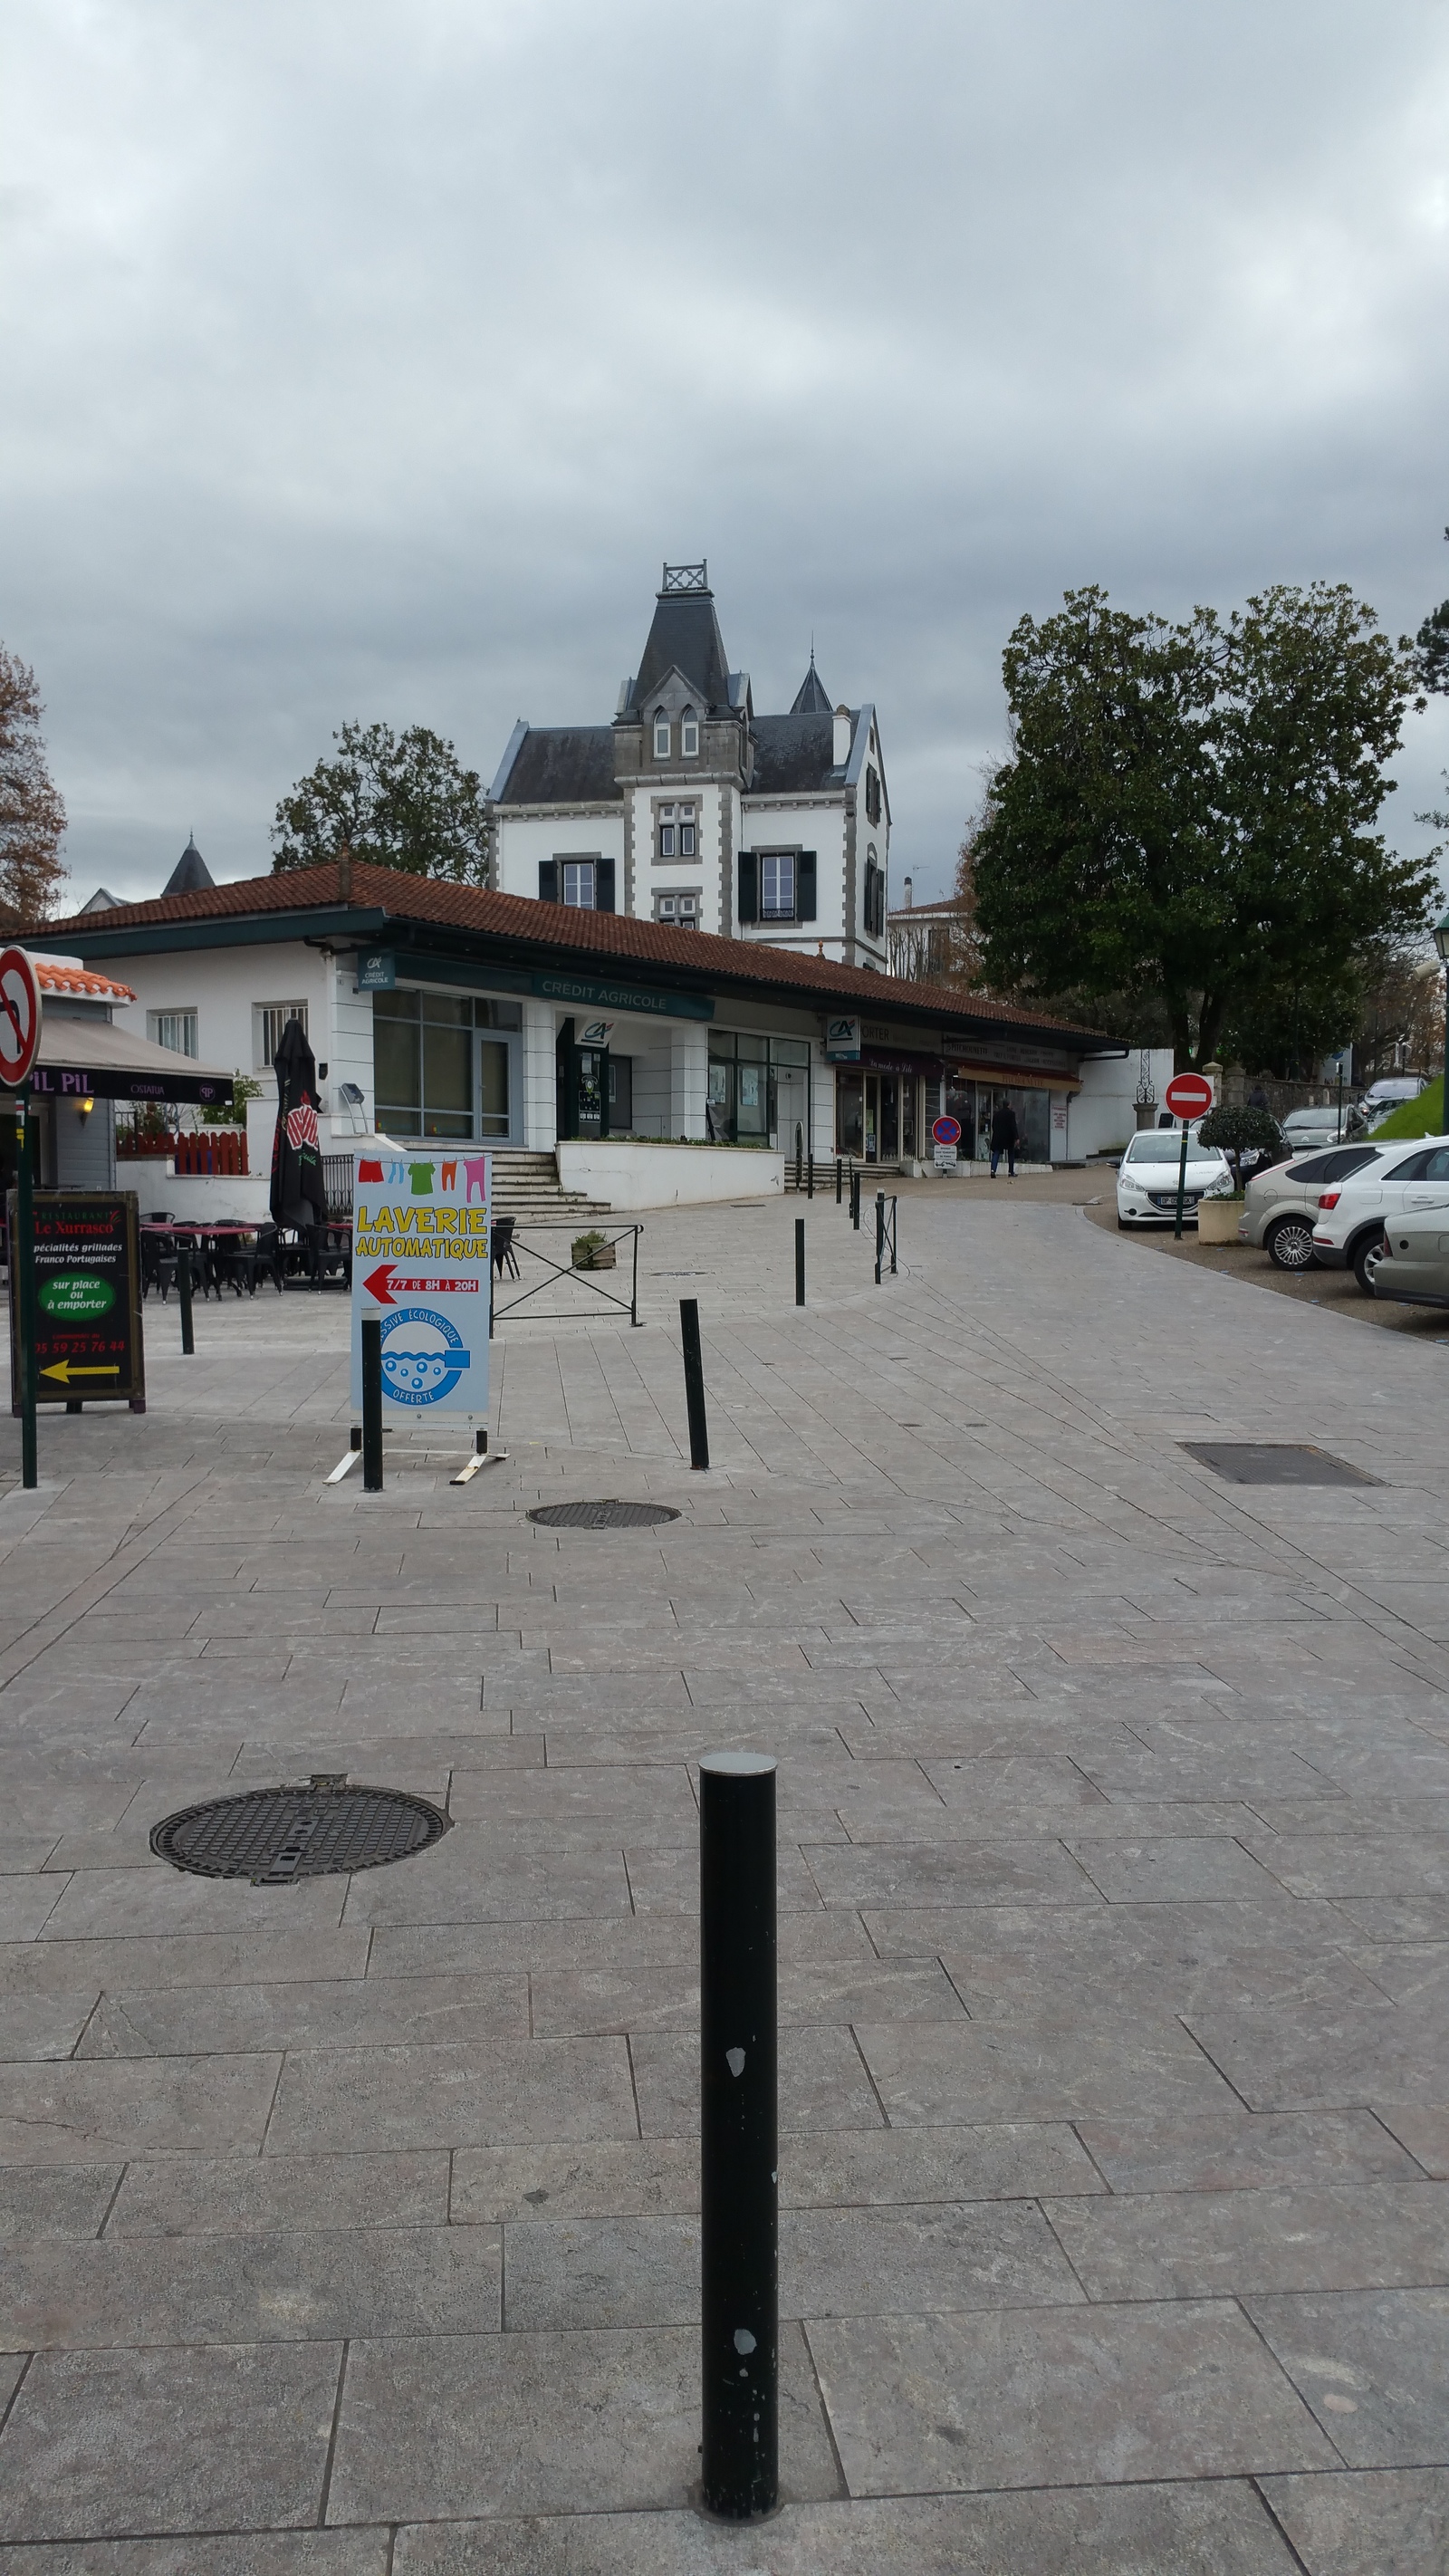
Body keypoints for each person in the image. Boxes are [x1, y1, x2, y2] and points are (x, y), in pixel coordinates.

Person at [989, 1099, 1020, 1178]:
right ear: (1009, 1105)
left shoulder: (997, 1114)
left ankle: (993, 1170)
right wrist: (1016, 1137)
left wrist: (997, 1132)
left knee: (996, 1153)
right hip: (1008, 1136)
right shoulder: (1011, 1114)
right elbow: (1013, 1126)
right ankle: (1011, 1172)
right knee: (1011, 1153)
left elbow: (993, 1125)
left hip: (998, 1136)